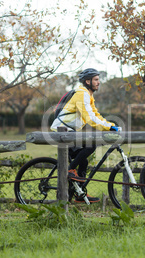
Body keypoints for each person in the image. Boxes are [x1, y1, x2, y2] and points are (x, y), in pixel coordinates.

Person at [51, 68, 120, 203]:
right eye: (96, 80)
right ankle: (70, 170)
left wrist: (110, 125)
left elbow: (95, 115)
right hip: (62, 131)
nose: (98, 82)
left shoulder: (88, 95)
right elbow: (89, 118)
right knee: (90, 146)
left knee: (84, 161)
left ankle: (79, 193)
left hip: (68, 131)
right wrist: (108, 127)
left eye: (98, 79)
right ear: (87, 81)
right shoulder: (81, 94)